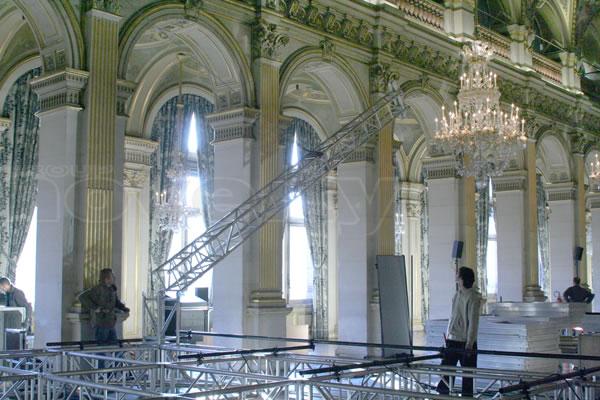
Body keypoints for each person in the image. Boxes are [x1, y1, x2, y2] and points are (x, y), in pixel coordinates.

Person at [437, 267, 482, 397]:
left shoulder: (473, 297)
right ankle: (442, 396)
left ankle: (466, 398)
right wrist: (448, 336)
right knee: (446, 372)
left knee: (467, 376)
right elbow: (452, 317)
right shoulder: (457, 295)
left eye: (458, 275)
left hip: (465, 342)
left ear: (462, 279)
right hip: (452, 340)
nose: (456, 277)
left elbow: (473, 323)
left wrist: (469, 345)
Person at [79, 269, 129, 346]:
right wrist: (95, 308)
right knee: (101, 346)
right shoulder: (97, 289)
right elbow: (82, 297)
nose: (114, 278)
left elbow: (116, 302)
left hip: (110, 322)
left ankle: (115, 358)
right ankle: (102, 358)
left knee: (114, 345)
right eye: (112, 276)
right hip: (101, 322)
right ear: (107, 279)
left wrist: (123, 308)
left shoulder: (112, 289)